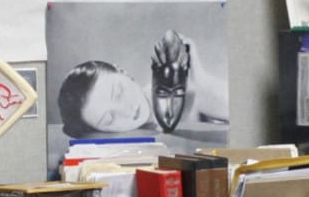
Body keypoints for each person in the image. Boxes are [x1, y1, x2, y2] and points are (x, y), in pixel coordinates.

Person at [55, 30, 226, 139]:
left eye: (118, 93)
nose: (126, 110)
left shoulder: (188, 95)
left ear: (123, 73)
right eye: (109, 119)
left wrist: (202, 80)